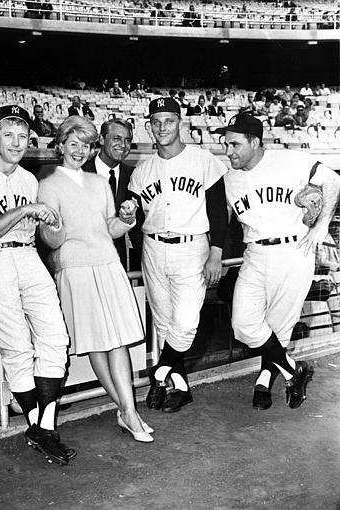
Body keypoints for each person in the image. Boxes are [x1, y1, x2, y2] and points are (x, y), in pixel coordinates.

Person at [0, 105, 75, 465]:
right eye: (9, 134)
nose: (16, 142)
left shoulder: (27, 179)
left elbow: (45, 236)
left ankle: (42, 426)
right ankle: (42, 428)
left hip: (26, 255)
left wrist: (52, 223)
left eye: (23, 136)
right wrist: (24, 211)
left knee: (56, 338)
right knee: (17, 347)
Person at [38, 116, 153, 443]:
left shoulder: (100, 184)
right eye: (72, 144)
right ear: (60, 146)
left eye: (85, 145)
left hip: (108, 265)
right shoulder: (48, 186)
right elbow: (53, 241)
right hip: (75, 269)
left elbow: (110, 229)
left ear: (92, 149)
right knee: (97, 346)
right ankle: (128, 411)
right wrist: (53, 227)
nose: (79, 151)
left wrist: (126, 219)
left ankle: (127, 412)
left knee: (116, 341)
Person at [223, 113, 340, 410]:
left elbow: (333, 180)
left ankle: (264, 381)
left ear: (255, 141)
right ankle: (293, 371)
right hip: (254, 254)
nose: (229, 151)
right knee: (244, 325)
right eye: (226, 144)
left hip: (293, 250)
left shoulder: (290, 161)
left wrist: (322, 225)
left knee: (279, 327)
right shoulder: (230, 179)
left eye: (235, 144)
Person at [128, 97, 228, 413]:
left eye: (168, 121)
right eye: (156, 122)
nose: (162, 127)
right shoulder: (141, 172)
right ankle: (178, 387)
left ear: (180, 123)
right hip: (153, 248)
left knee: (184, 323)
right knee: (164, 323)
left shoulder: (204, 160)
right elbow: (134, 222)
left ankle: (159, 376)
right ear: (148, 127)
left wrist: (216, 253)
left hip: (192, 247)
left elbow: (218, 212)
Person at [83, 118, 142, 270]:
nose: (123, 145)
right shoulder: (79, 172)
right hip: (82, 262)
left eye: (127, 140)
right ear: (101, 139)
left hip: (117, 263)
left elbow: (136, 226)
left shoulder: (133, 175)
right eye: (116, 138)